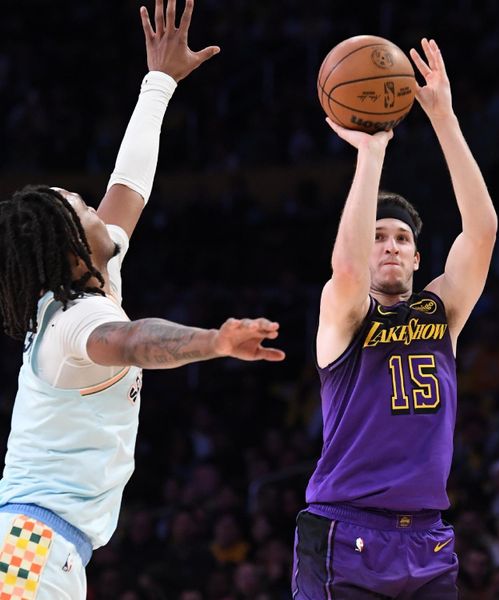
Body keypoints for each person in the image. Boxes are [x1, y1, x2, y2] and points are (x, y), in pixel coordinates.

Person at [0, 1, 284, 596]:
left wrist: (158, 83)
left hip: (36, 546)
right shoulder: (76, 323)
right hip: (28, 548)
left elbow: (129, 185)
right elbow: (133, 340)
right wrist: (215, 341)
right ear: (75, 247)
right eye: (81, 207)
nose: (94, 204)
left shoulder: (93, 277)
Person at [292, 38, 497, 599]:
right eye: (378, 235)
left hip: (428, 538)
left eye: (401, 238)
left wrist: (444, 118)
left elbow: (481, 233)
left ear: (417, 258)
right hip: (345, 528)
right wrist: (371, 152)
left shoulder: (442, 310)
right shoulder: (343, 314)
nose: (389, 246)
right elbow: (348, 268)